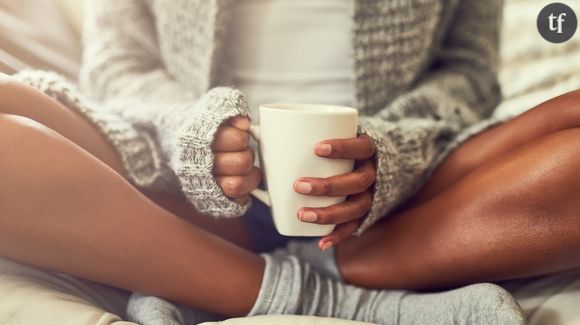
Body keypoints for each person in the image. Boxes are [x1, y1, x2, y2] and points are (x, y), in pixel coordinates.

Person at [2, 0, 576, 324]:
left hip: (400, 200)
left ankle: (190, 273)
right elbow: (115, 68)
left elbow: (470, 75)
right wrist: (196, 135)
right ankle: (320, 296)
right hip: (179, 181)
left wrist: (391, 152)